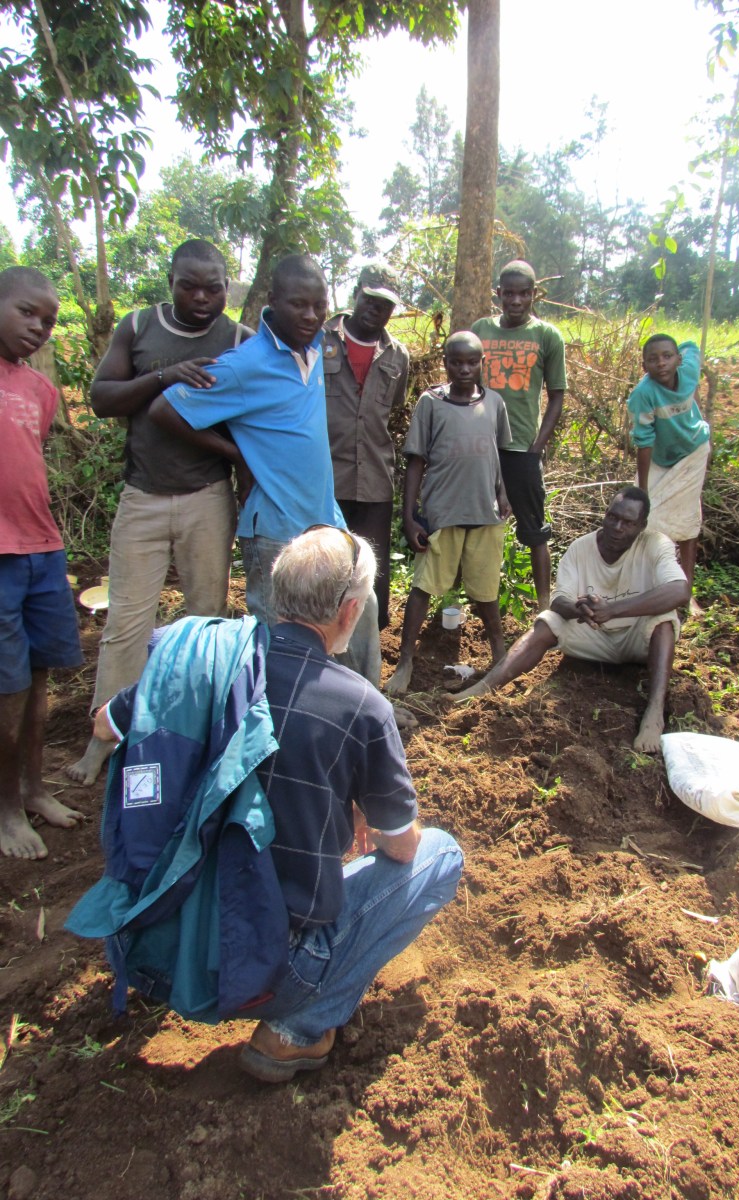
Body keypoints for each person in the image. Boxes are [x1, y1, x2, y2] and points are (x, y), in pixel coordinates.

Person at [88, 526, 463, 1081]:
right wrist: (354, 797)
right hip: (266, 973)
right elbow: (403, 849)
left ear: (276, 592)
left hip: (162, 939)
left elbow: (105, 725)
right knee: (441, 853)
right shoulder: (363, 707)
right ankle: (297, 1030)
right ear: (350, 611)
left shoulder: (210, 661)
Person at [66, 239, 253, 787]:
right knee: (126, 623)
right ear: (170, 282)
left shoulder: (239, 339)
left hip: (208, 498)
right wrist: (164, 377)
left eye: (213, 288)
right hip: (142, 497)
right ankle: (106, 736)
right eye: (189, 286)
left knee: (205, 620)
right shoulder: (138, 326)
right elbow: (102, 398)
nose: (201, 297)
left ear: (226, 287)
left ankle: (191, 734)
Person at [149, 252, 382, 686]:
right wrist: (237, 454)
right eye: (298, 304)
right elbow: (165, 410)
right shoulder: (245, 365)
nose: (310, 315)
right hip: (275, 526)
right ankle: (273, 717)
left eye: (319, 305)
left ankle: (369, 706)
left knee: (359, 606)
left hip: (323, 518)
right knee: (282, 638)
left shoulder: (315, 346)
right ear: (272, 301)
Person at [454, 487, 690, 753]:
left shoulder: (655, 544)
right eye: (612, 517)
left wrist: (613, 610)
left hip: (637, 639)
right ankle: (483, 687)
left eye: (628, 522)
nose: (617, 527)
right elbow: (559, 601)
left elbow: (680, 591)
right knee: (548, 620)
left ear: (642, 526)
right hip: (593, 635)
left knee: (664, 620)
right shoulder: (581, 548)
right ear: (605, 514)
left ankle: (654, 712)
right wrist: (581, 609)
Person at [0, 267, 85, 858]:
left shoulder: (39, 388)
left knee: (37, 679)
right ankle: (5, 808)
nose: (38, 327)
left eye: (49, 321)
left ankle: (33, 789)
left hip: (43, 548)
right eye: (26, 312)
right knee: (5, 689)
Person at [385, 332, 512, 697]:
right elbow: (415, 462)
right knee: (423, 587)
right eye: (456, 362)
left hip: (485, 513)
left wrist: (504, 492)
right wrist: (410, 516)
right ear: (445, 363)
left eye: (472, 362)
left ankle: (500, 655)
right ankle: (405, 661)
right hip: (443, 512)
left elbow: (501, 454)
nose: (464, 369)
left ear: (482, 363)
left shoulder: (495, 403)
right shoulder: (431, 403)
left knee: (486, 591)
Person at [472, 260, 566, 612]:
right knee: (475, 528)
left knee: (534, 531)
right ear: (498, 294)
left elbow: (556, 396)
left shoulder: (546, 336)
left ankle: (544, 608)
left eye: (523, 293)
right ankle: (475, 601)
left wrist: (536, 447)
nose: (516, 301)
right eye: (508, 293)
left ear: (533, 294)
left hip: (521, 449)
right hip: (480, 447)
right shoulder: (481, 330)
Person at [323, 263, 409, 630]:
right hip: (326, 476)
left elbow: (392, 410)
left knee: (370, 571)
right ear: (357, 292)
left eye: (385, 304)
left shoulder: (397, 356)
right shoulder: (320, 340)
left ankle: (368, 646)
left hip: (374, 479)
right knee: (325, 569)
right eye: (370, 299)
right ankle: (324, 644)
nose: (376, 308)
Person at [627, 334, 710, 610]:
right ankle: (649, 589)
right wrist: (643, 491)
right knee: (645, 521)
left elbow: (691, 346)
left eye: (667, 356)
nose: (661, 363)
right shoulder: (643, 394)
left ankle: (685, 593)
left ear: (678, 359)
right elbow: (644, 442)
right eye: (653, 359)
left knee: (686, 520)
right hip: (659, 458)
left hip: (692, 452)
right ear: (644, 366)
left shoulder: (689, 369)